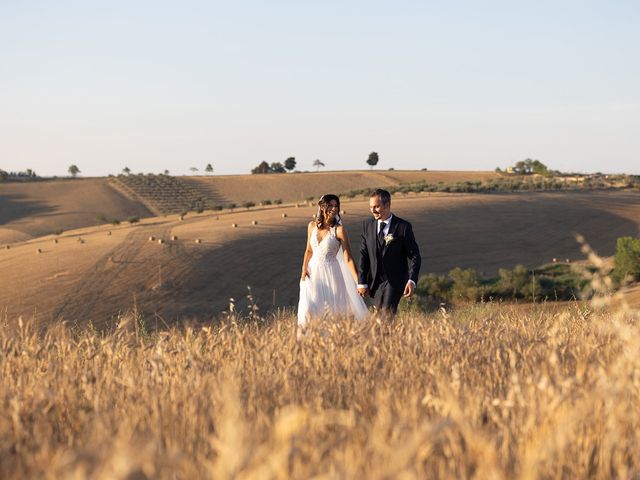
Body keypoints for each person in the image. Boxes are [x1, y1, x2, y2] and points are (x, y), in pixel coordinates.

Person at [297, 194, 369, 328]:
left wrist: (359, 282)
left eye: (336, 206)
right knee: (308, 308)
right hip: (312, 274)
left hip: (331, 273)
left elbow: (348, 258)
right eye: (330, 205)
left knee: (332, 312)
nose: (334, 209)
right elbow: (308, 250)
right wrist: (303, 269)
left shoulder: (339, 230)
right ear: (322, 207)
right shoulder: (311, 226)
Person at [357, 189, 421, 315]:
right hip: (374, 282)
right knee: (378, 316)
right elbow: (363, 255)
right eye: (371, 207)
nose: (373, 210)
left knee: (387, 315)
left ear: (387, 205)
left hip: (394, 281)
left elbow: (415, 256)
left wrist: (412, 280)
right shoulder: (367, 225)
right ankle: (388, 335)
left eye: (376, 206)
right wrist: (362, 282)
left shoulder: (403, 227)